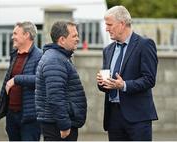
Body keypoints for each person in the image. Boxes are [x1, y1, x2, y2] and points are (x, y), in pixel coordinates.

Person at [96, 5, 158, 141]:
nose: (106, 28)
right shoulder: (108, 50)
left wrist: (123, 85)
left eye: (109, 24)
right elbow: (105, 86)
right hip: (113, 117)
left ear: (122, 24)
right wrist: (102, 82)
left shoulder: (145, 45)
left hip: (138, 118)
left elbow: (149, 79)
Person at [35, 21, 87, 141]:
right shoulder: (55, 60)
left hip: (58, 123)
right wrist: (64, 125)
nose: (78, 39)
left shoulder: (59, 57)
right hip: (57, 126)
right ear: (62, 40)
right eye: (74, 36)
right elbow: (55, 97)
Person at [0, 21, 42, 141]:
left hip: (29, 119)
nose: (12, 37)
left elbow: (40, 79)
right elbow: (7, 82)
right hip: (12, 116)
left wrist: (17, 79)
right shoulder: (14, 55)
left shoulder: (40, 56)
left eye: (15, 33)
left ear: (26, 35)